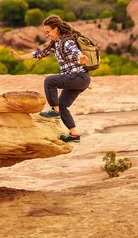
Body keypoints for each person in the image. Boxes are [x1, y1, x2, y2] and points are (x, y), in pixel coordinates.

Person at [9, 15, 90, 143]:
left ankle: (55, 110)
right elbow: (39, 53)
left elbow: (75, 51)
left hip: (78, 77)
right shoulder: (56, 44)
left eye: (48, 31)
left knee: (49, 81)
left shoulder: (66, 41)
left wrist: (81, 57)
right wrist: (20, 57)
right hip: (79, 80)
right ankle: (74, 135)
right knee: (63, 105)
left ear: (56, 29)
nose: (47, 35)